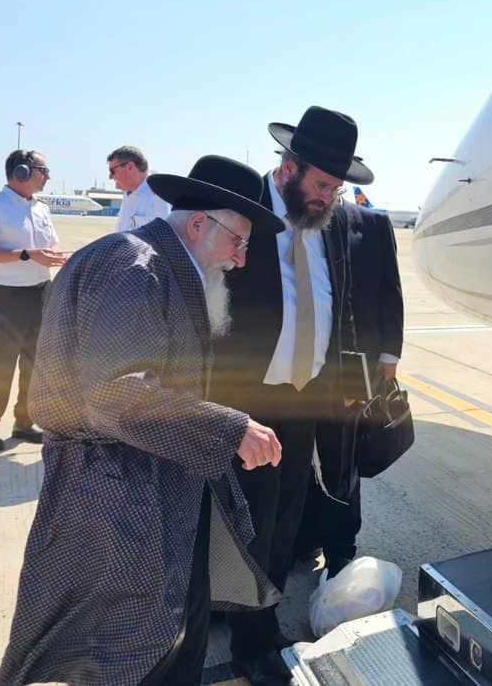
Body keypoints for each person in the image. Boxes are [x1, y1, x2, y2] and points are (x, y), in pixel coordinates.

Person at [0, 155, 286, 686]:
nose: (241, 260)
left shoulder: (161, 265)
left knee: (168, 633)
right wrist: (229, 428)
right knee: (127, 652)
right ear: (198, 224)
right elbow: (114, 393)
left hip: (152, 487)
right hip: (118, 496)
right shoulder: (133, 266)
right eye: (238, 242)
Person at [210, 106, 372, 685]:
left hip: (304, 400)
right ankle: (252, 640)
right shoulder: (240, 210)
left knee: (284, 520)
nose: (329, 197)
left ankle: (257, 616)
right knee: (247, 521)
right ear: (287, 167)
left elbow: (336, 304)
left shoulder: (327, 225)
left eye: (336, 188)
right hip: (248, 400)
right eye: (322, 184)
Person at [294, 195, 404, 576]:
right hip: (301, 364)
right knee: (299, 459)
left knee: (342, 461)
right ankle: (303, 539)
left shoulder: (373, 224)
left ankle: (341, 547)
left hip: (355, 366)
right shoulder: (294, 218)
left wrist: (388, 358)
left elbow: (391, 291)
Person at [0, 149, 67, 452]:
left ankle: (25, 422)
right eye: (43, 170)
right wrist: (26, 255)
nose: (48, 176)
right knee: (1, 362)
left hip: (41, 291)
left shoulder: (41, 208)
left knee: (36, 362)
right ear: (22, 172)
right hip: (6, 294)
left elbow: (49, 245)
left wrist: (52, 257)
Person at [108, 144, 171, 231]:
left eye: (112, 171)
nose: (110, 177)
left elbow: (167, 234)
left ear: (130, 167)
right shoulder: (128, 194)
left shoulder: (159, 193)